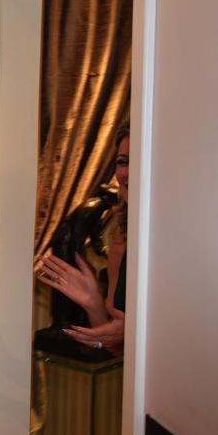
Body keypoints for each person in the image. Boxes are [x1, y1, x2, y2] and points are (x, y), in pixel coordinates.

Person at [36, 125, 129, 355]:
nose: (127, 173)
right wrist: (93, 303)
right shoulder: (121, 247)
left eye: (140, 161)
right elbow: (118, 349)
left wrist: (134, 329)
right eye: (123, 162)